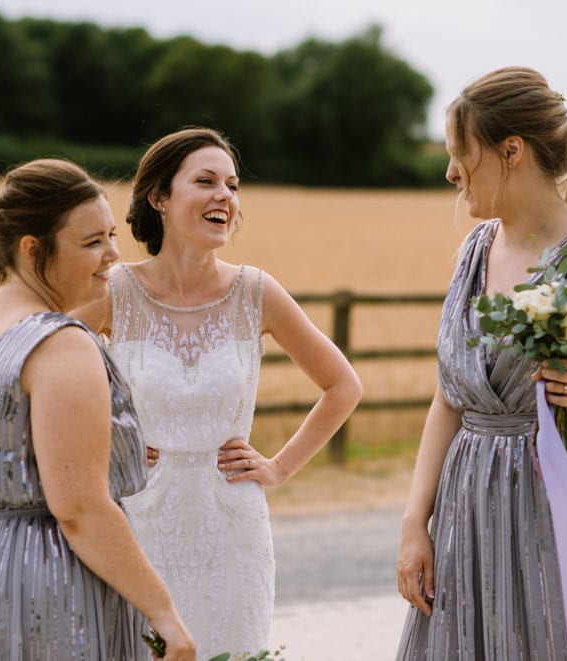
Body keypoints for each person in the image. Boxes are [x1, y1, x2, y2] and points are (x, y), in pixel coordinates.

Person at [395, 67, 567, 659]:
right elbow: (450, 397)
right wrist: (415, 522)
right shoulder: (474, 250)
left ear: (511, 151)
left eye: (458, 153)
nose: (449, 172)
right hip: (467, 507)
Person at [72, 127, 363, 659]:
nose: (224, 196)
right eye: (205, 181)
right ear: (160, 197)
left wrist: (279, 467)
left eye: (231, 185)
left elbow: (343, 385)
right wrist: (109, 448)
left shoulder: (256, 291)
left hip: (232, 527)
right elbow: (41, 369)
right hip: (139, 519)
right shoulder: (117, 290)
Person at [0, 159, 195, 660]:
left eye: (112, 235)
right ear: (32, 249)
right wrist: (163, 611)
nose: (113, 255)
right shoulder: (59, 343)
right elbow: (80, 509)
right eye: (91, 242)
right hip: (42, 583)